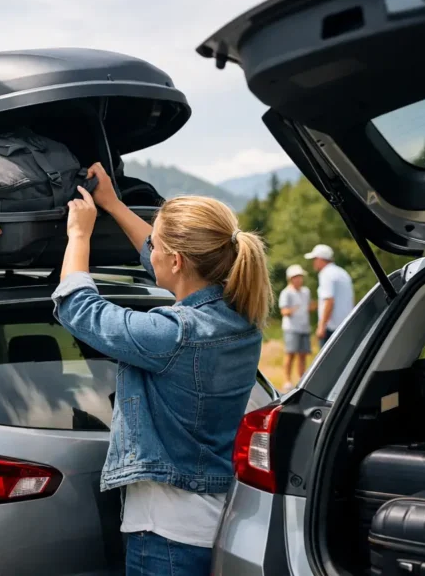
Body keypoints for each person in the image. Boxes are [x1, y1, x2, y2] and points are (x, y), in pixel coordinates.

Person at [52, 162, 273, 576]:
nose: (148, 251)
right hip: (206, 521)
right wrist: (113, 205)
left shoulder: (175, 333)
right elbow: (159, 256)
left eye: (156, 247)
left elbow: (79, 309)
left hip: (165, 533)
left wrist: (78, 234)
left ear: (176, 260)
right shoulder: (239, 321)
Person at [304, 243, 354, 347]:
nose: (313, 263)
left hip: (331, 328)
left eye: (314, 259)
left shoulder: (326, 274)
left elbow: (329, 301)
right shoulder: (342, 272)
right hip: (347, 325)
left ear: (320, 259)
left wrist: (321, 326)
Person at [278, 264, 314, 389]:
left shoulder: (306, 291)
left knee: (303, 355)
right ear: (290, 278)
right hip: (291, 329)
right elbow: (283, 311)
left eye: (300, 277)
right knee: (290, 354)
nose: (299, 279)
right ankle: (287, 381)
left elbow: (308, 307)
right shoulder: (286, 293)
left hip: (304, 328)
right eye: (296, 277)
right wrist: (292, 310)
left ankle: (302, 381)